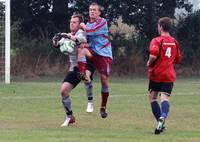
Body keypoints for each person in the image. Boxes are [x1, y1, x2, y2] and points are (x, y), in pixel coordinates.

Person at [52, 14, 95, 127]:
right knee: (63, 91)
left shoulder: (81, 33)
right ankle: (69, 117)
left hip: (87, 62)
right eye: (71, 21)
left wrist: (67, 36)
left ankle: (90, 101)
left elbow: (81, 40)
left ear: (79, 24)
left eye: (74, 22)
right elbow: (58, 44)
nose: (72, 23)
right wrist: (55, 41)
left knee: (86, 79)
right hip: (74, 68)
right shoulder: (67, 35)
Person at [77, 2, 112, 118]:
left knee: (104, 80)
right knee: (81, 49)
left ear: (99, 12)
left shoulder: (102, 22)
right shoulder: (87, 24)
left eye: (94, 10)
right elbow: (87, 39)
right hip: (93, 53)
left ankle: (103, 107)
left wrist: (83, 27)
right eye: (90, 10)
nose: (92, 11)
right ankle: (82, 73)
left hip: (104, 54)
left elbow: (91, 31)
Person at [147, 17, 181, 134]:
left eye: (158, 26)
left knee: (152, 98)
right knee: (165, 98)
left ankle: (160, 121)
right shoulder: (175, 42)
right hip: (169, 75)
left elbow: (153, 55)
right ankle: (163, 116)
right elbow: (177, 60)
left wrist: (149, 62)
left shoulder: (156, 40)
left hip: (156, 74)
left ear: (161, 27)